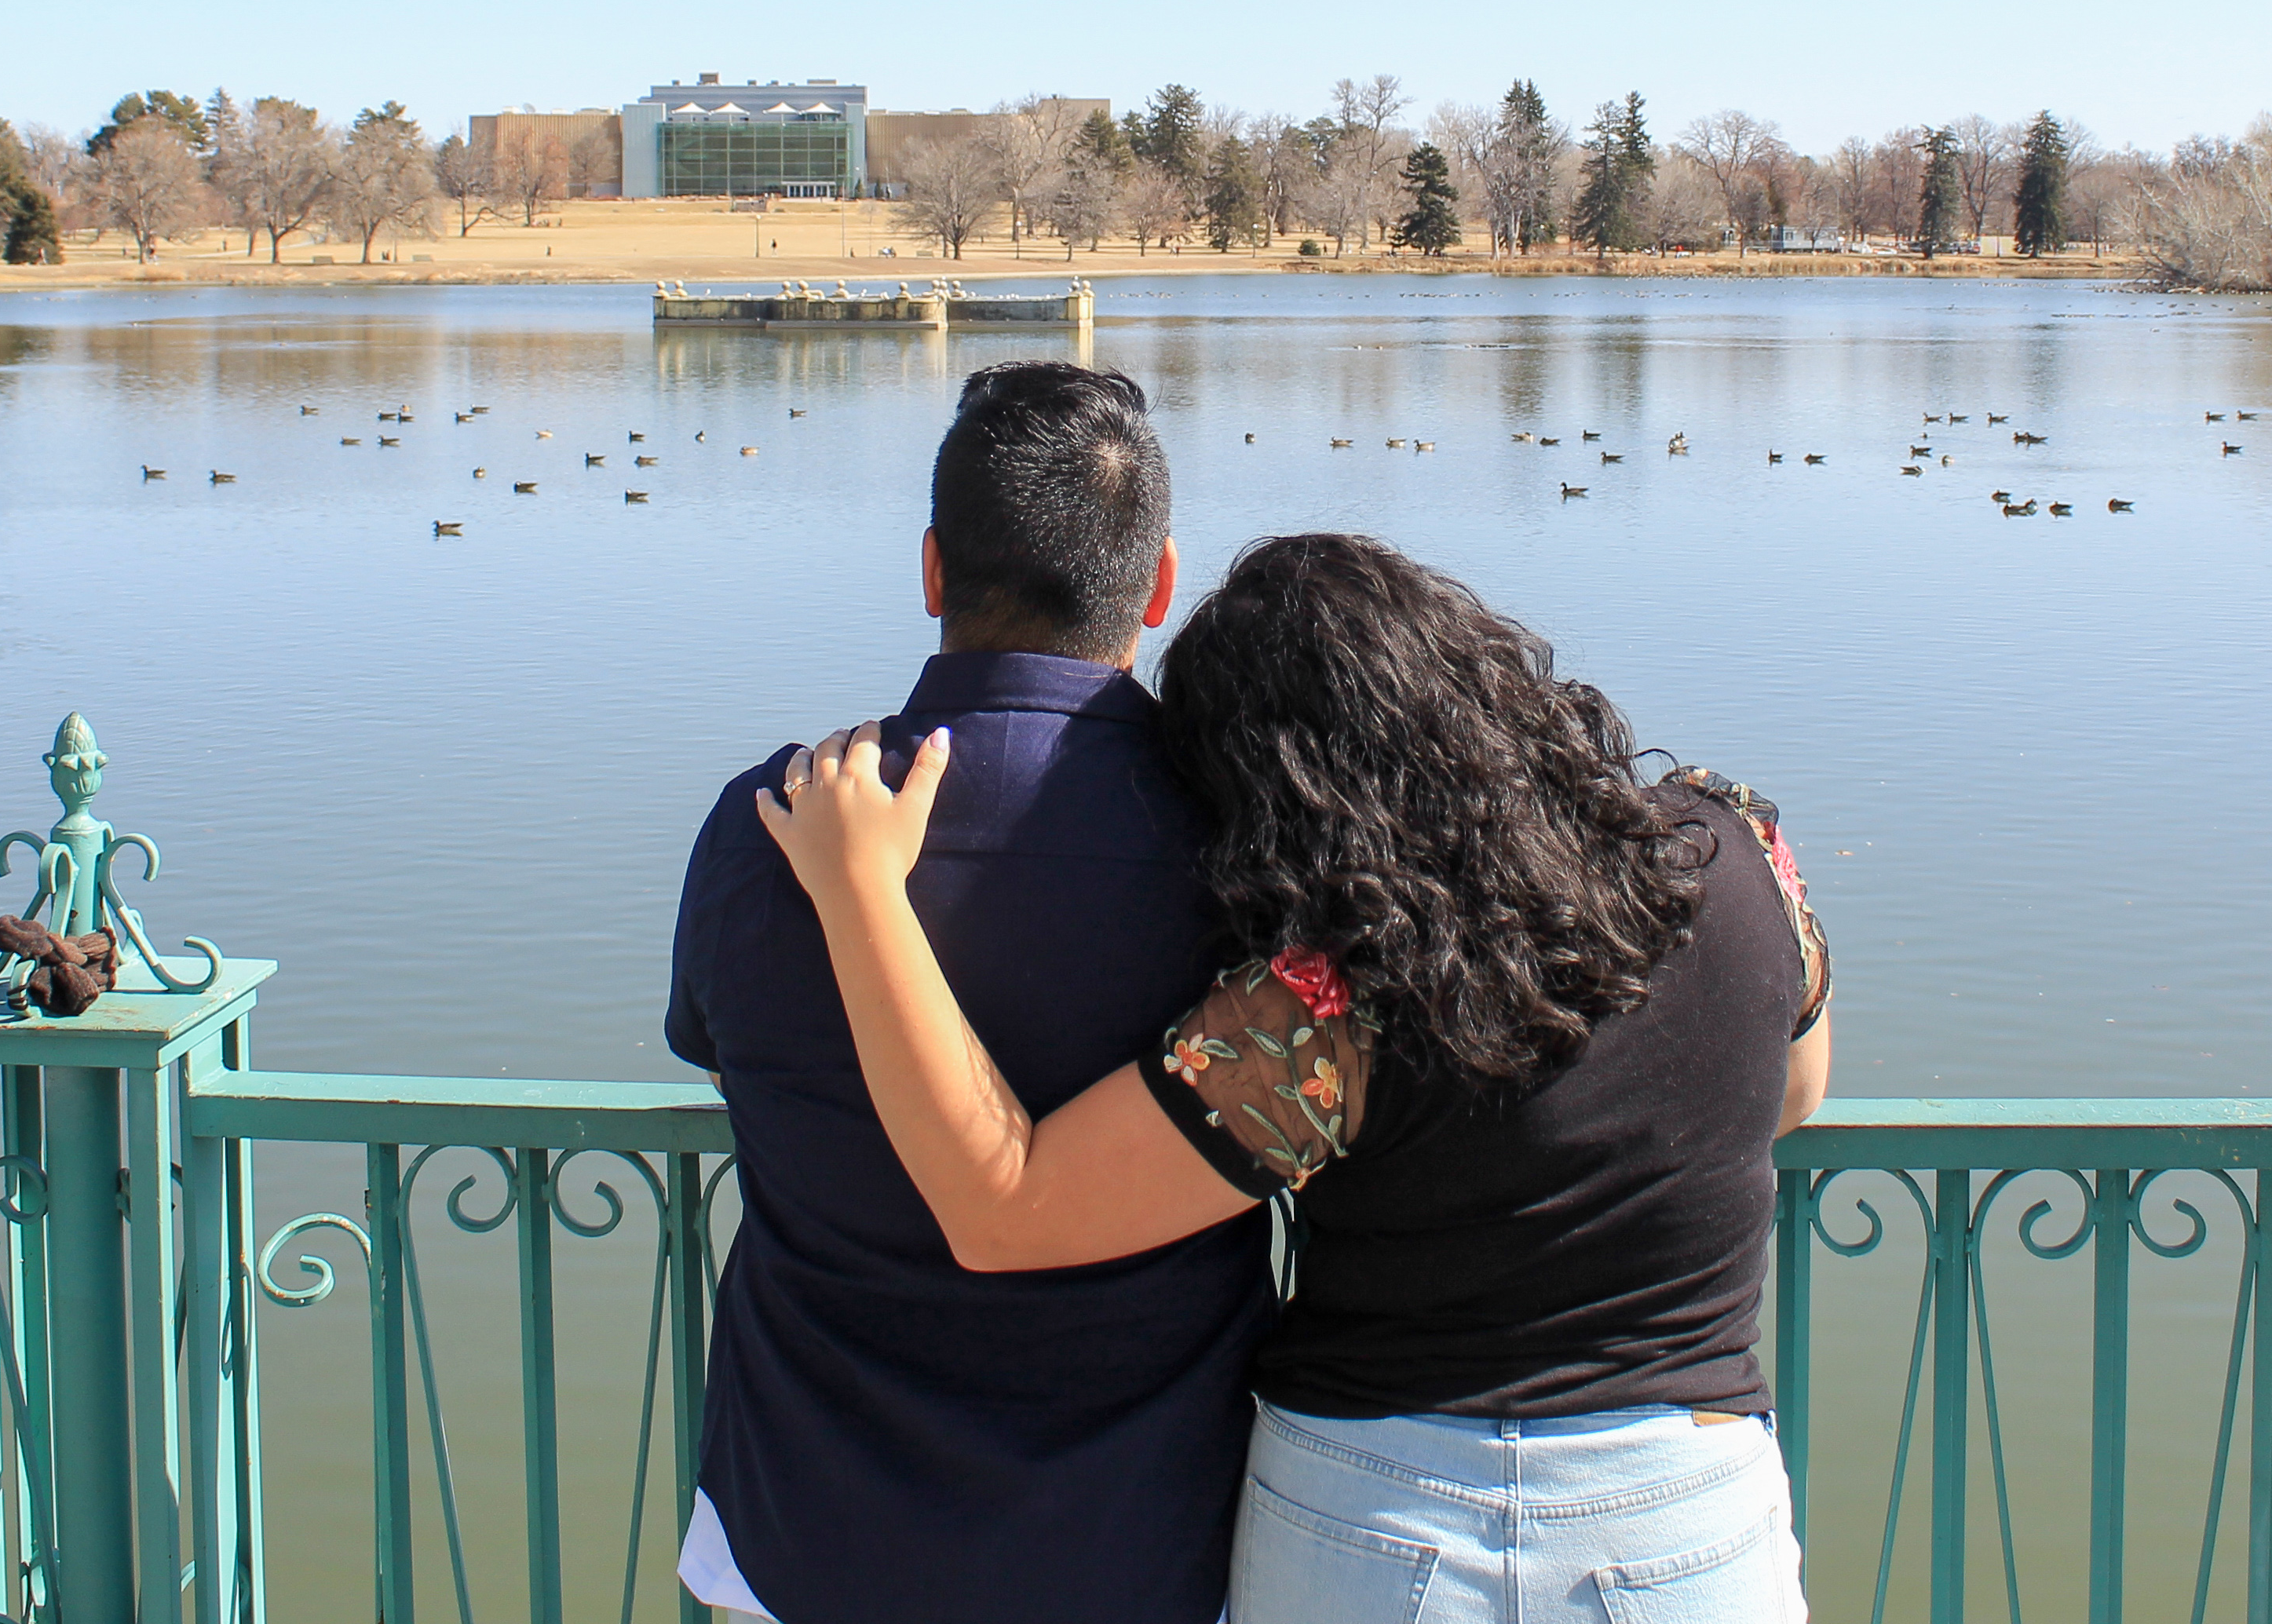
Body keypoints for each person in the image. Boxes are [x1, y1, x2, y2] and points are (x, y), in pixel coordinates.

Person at [762, 531, 1835, 1622]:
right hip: (1684, 1517)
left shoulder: (1332, 1008)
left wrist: (862, 891)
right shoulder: (1738, 856)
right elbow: (1794, 1092)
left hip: (1374, 1522)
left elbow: (1006, 1209)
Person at [663, 363, 1273, 1624]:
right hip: (1147, 1546)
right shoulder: (1243, 843)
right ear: (1159, 586)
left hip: (807, 1538)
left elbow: (726, 1058)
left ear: (933, 570)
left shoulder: (765, 823)